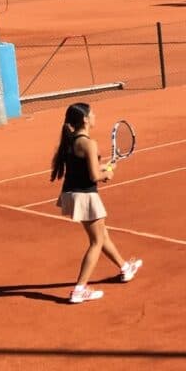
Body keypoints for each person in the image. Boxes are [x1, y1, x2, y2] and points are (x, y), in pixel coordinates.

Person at [49, 102, 141, 304]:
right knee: (96, 242)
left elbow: (85, 168)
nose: (95, 116)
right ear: (85, 119)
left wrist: (104, 167)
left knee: (102, 235)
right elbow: (94, 175)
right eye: (92, 114)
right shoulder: (90, 143)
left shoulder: (72, 140)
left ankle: (125, 268)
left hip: (72, 194)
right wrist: (107, 173)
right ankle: (79, 289)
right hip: (85, 197)